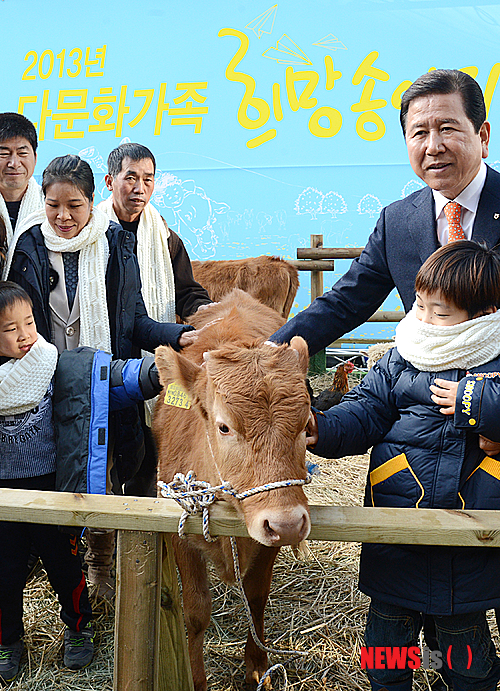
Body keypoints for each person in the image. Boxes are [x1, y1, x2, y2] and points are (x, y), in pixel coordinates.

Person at [2, 154, 201, 598]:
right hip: (43, 387)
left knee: (104, 477)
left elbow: (137, 321)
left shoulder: (114, 244)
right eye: (53, 205)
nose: (64, 216)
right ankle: (71, 590)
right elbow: (14, 320)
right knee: (54, 485)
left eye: (74, 204)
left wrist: (180, 336)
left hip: (103, 384)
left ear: (93, 201)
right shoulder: (30, 247)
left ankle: (102, 570)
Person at [306, 240, 500, 691]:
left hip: (467, 541)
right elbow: (368, 410)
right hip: (397, 529)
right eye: (420, 305)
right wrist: (323, 428)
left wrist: (478, 401)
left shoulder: (493, 361)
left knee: (466, 657)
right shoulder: (402, 354)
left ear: (484, 315)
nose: (426, 321)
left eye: (442, 313)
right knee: (386, 651)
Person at [98, 142, 212, 497]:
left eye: (148, 179)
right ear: (109, 180)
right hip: (108, 355)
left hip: (153, 356)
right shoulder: (91, 232)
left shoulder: (161, 235)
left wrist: (205, 318)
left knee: (149, 449)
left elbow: (188, 292)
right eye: (130, 177)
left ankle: (142, 528)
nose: (139, 188)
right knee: (108, 447)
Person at [0, 281, 93, 682]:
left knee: (66, 563)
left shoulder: (50, 364)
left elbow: (94, 383)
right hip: (3, 497)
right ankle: (7, 641)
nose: (24, 335)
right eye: (9, 328)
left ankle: (78, 628)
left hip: (51, 486)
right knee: (4, 572)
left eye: (29, 322)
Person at [0, 113, 44, 244]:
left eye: (22, 153)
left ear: (35, 158)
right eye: (4, 154)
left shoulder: (50, 205)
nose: (14, 163)